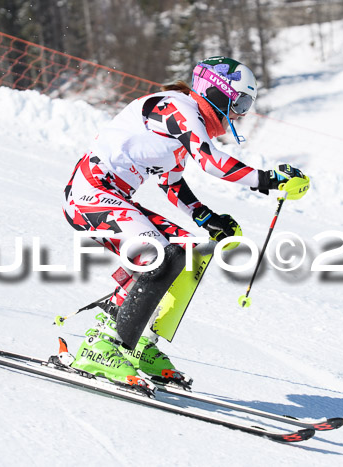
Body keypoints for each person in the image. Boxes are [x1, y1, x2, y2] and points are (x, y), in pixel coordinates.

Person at [59, 56, 307, 391]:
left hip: (115, 197)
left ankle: (140, 341)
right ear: (219, 94)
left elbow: (172, 184)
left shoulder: (184, 125)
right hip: (90, 194)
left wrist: (208, 218)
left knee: (189, 253)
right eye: (241, 102)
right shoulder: (178, 109)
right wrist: (268, 179)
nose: (243, 112)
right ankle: (101, 345)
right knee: (157, 258)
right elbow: (211, 162)